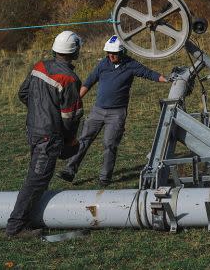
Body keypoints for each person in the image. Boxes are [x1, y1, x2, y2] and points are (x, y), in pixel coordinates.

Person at [59, 35, 167, 187]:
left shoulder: (131, 65)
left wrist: (167, 79)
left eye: (114, 53)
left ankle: (105, 177)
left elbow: (149, 74)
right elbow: (89, 81)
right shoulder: (103, 64)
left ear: (122, 53)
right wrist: (76, 100)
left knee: (109, 144)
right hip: (97, 110)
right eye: (108, 53)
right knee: (83, 140)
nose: (111, 56)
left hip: (116, 113)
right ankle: (70, 171)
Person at [6, 30, 84, 239]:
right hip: (49, 137)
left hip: (32, 130)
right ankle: (16, 228)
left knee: (38, 176)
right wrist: (69, 141)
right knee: (37, 179)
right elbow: (71, 116)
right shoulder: (70, 78)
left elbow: (23, 93)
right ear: (75, 51)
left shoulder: (39, 67)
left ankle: (28, 218)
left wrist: (39, 111)